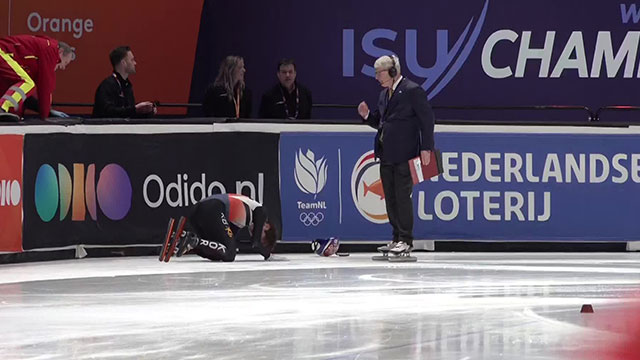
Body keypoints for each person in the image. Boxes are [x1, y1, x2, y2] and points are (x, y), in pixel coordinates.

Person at [357, 54, 435, 255]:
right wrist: (367, 116)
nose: (376, 77)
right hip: (386, 154)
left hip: (405, 153)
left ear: (393, 71)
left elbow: (427, 120)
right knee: (390, 197)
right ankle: (396, 237)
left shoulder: (412, 91)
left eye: (379, 73)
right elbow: (381, 123)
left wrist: (427, 147)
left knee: (402, 196)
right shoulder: (384, 95)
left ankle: (406, 239)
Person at [173, 193, 279, 262]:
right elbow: (255, 243)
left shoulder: (241, 222)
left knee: (219, 253)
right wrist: (267, 255)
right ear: (266, 226)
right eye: (262, 236)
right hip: (214, 208)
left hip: (201, 211)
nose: (253, 235)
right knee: (230, 254)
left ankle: (186, 240)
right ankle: (194, 242)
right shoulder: (260, 211)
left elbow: (230, 243)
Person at [0, 35, 74, 121]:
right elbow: (45, 87)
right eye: (65, 62)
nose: (63, 67)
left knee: (16, 88)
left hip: (4, 54)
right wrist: (46, 117)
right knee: (27, 83)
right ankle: (1, 108)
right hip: (1, 52)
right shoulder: (51, 50)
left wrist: (48, 111)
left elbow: (23, 95)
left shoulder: (37, 53)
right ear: (60, 52)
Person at [92, 46, 156, 118]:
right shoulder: (107, 86)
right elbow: (108, 112)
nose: (135, 63)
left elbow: (127, 114)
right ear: (123, 63)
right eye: (132, 60)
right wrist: (135, 109)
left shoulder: (127, 86)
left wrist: (145, 113)